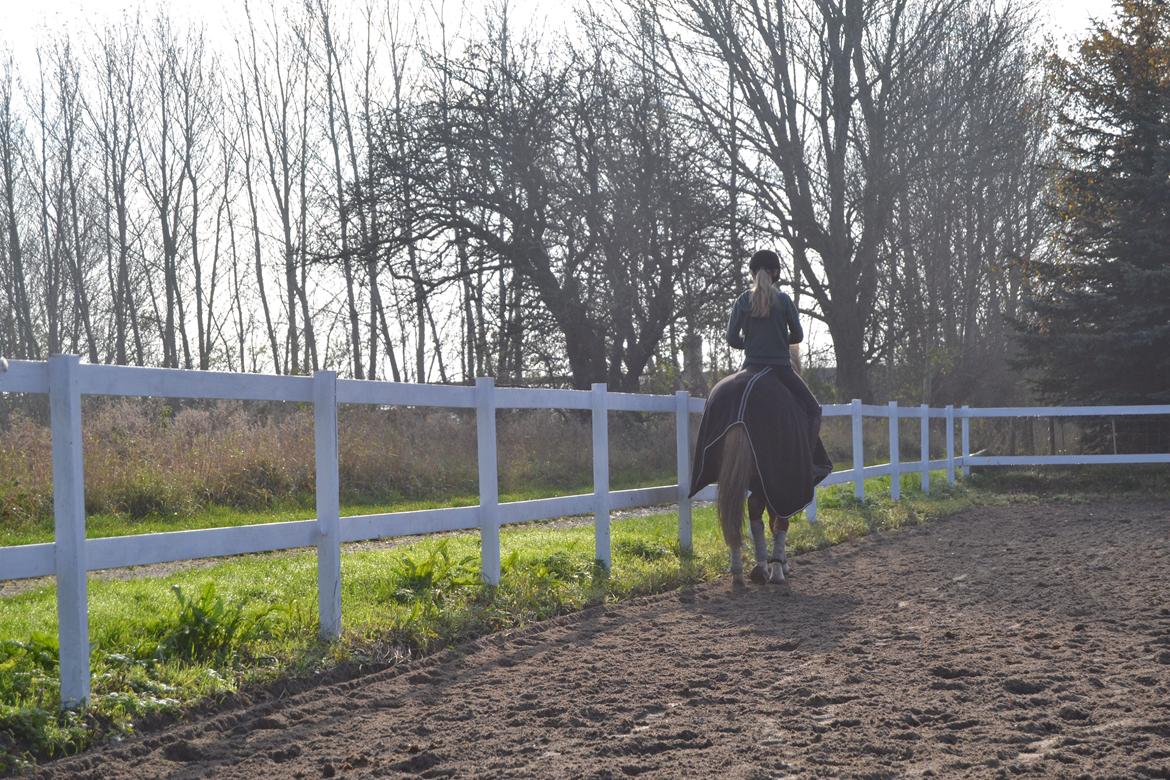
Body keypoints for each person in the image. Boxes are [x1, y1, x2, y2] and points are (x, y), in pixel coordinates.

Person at [725, 249, 822, 436]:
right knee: (813, 410)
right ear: (775, 273)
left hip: (750, 364)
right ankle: (811, 463)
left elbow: (731, 339)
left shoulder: (742, 301)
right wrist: (777, 340)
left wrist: (752, 342)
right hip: (782, 369)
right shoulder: (784, 301)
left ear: (752, 273)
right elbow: (798, 336)